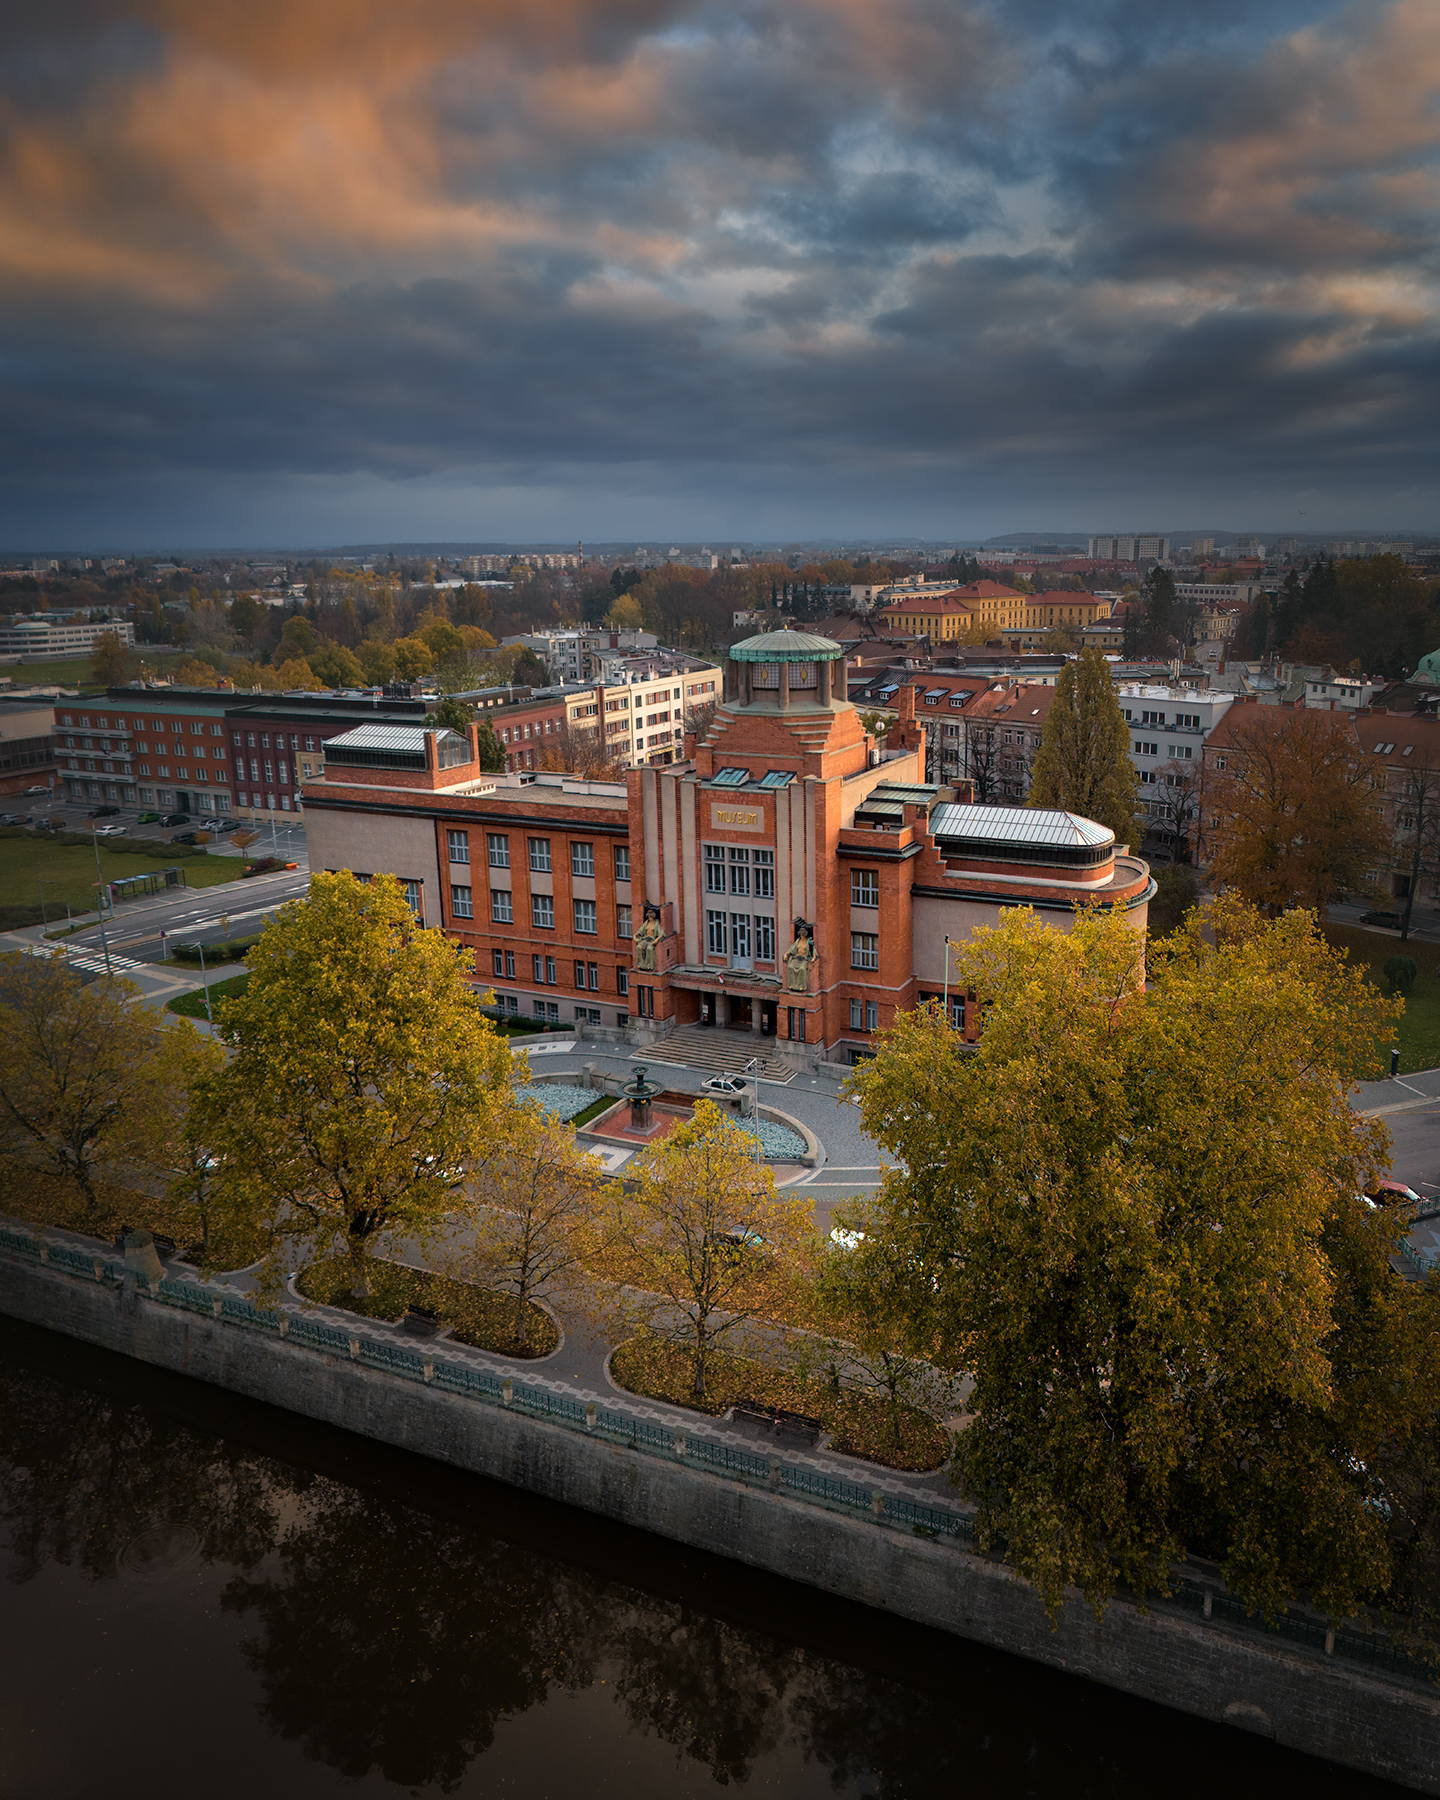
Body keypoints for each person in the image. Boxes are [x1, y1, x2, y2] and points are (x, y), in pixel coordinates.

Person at [784, 919, 815, 992]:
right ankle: (791, 984)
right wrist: (786, 954)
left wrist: (813, 957)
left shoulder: (808, 941)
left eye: (802, 935)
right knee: (790, 967)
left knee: (802, 969)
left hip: (804, 959)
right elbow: (792, 948)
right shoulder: (798, 941)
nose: (801, 936)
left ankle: (802, 986)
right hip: (797, 958)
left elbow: (813, 950)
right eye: (800, 935)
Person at [633, 903, 664, 973]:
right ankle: (640, 964)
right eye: (648, 917)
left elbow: (661, 934)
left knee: (649, 949)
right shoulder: (646, 923)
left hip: (652, 939)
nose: (649, 918)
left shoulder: (656, 924)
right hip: (645, 938)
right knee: (639, 947)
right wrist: (635, 935)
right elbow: (640, 931)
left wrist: (657, 939)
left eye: (650, 917)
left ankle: (649, 965)